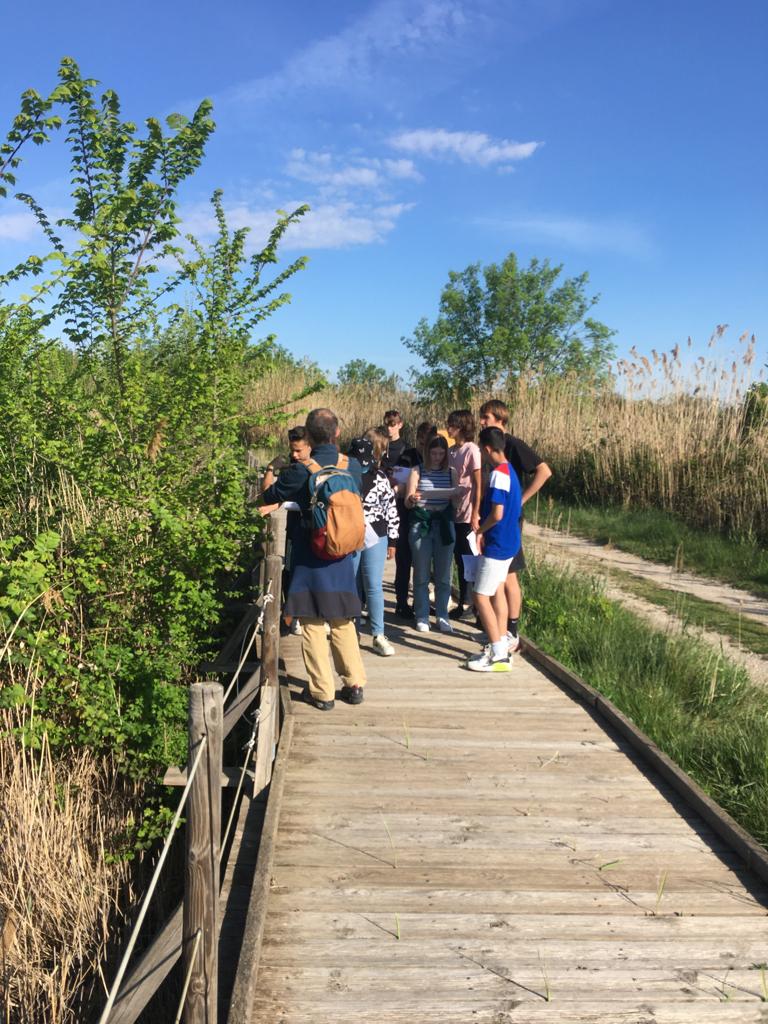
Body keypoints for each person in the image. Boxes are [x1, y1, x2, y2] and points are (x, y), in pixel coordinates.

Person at [258, 408, 367, 711]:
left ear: (307, 435)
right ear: (337, 434)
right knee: (343, 619)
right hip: (342, 553)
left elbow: (269, 496)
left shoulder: (301, 470)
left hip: (310, 554)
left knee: (313, 623)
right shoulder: (353, 466)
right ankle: (354, 682)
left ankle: (322, 692)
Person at [477, 399, 553, 652]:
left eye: (486, 417)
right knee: (498, 580)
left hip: (506, 519)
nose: (482, 421)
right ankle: (498, 632)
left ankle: (512, 631)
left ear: (500, 419)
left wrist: (520, 501)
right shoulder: (490, 448)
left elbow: (544, 471)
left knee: (510, 575)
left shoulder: (512, 445)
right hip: (494, 515)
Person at [467, 426, 522, 672]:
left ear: (488, 449)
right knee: (497, 590)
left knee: (480, 596)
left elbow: (497, 514)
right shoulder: (510, 470)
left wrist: (480, 531)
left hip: (498, 545)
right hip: (510, 542)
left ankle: (498, 654)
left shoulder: (498, 474)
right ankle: (501, 644)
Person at [347, 431, 399, 657]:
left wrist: (393, 539)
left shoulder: (381, 478)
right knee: (352, 582)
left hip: (376, 535)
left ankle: (378, 633)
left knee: (374, 584)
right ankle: (351, 630)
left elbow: (391, 509)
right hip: (350, 534)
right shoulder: (345, 478)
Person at [404, 435, 458, 633]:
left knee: (444, 574)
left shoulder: (451, 472)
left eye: (441, 453)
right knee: (421, 572)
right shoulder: (417, 470)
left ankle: (442, 614)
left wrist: (457, 495)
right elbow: (407, 502)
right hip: (422, 522)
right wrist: (412, 498)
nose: (437, 457)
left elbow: (456, 501)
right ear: (427, 453)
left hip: (443, 523)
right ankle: (422, 614)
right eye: (433, 453)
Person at [390, 421, 433, 619]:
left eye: (427, 443)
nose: (423, 446)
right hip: (405, 514)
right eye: (421, 441)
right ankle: (401, 603)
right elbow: (396, 486)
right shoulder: (406, 457)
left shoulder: (437, 458)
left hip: (427, 517)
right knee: (404, 561)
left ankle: (420, 602)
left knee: (423, 564)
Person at [446, 409, 482, 621]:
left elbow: (478, 483)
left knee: (469, 559)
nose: (448, 428)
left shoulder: (472, 450)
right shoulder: (451, 451)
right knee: (459, 558)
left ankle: (472, 604)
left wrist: (476, 512)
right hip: (453, 510)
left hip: (468, 512)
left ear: (461, 427)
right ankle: (464, 601)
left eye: (452, 424)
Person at [380, 409, 406, 475]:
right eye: (386, 425)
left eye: (392, 425)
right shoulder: (379, 445)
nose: (389, 428)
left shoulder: (407, 448)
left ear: (400, 425)